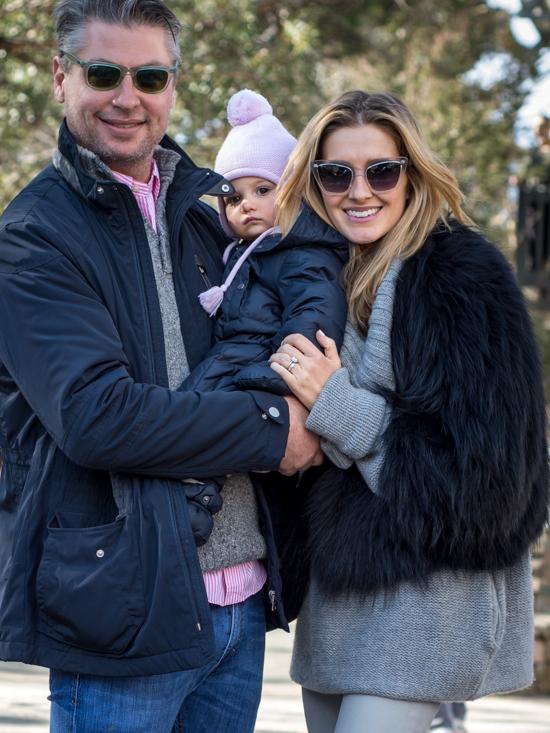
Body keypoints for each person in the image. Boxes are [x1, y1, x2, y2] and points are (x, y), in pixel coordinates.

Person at [0, 2, 323, 732]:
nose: (127, 96)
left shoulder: (207, 218)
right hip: (123, 612)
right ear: (60, 77)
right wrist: (278, 430)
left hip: (238, 612)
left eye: (149, 75)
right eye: (104, 73)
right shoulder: (32, 238)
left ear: (173, 85)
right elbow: (98, 416)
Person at [269, 90, 549, 733]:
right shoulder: (321, 277)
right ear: (314, 182)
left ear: (412, 174)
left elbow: (488, 486)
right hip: (338, 601)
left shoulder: (460, 277)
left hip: (431, 599)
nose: (359, 190)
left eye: (382, 171)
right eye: (336, 173)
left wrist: (337, 406)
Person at [179, 88, 347, 540]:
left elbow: (315, 309)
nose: (246, 204)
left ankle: (194, 503)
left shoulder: (300, 251)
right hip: (236, 358)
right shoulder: (244, 253)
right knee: (189, 407)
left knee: (204, 418)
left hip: (262, 366)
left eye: (263, 190)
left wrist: (277, 375)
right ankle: (191, 493)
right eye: (232, 197)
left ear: (291, 191)